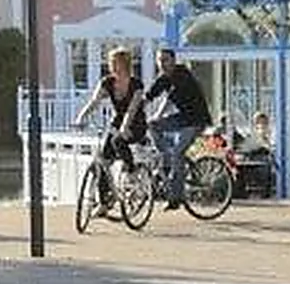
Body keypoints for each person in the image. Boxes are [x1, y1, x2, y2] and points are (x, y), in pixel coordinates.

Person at [71, 46, 146, 212]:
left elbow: (131, 110)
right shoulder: (107, 82)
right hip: (117, 121)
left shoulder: (136, 84)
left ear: (125, 63)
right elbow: (94, 102)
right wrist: (80, 118)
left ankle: (132, 171)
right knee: (103, 161)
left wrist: (125, 127)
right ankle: (105, 202)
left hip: (136, 123)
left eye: (116, 62)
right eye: (111, 62)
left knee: (118, 140)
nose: (113, 65)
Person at [144, 47, 213, 210]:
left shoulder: (182, 74)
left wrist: (159, 114)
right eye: (159, 60)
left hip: (196, 120)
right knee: (152, 126)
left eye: (166, 60)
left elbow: (169, 99)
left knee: (177, 153)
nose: (162, 64)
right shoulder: (162, 78)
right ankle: (166, 158)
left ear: (174, 61)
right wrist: (131, 114)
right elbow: (148, 97)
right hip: (182, 119)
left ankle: (175, 198)